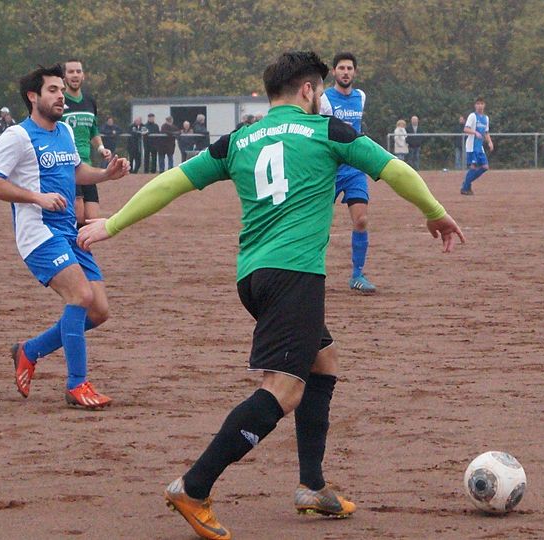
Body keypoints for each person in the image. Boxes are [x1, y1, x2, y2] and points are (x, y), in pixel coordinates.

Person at [77, 50, 465, 540]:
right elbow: (396, 171)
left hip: (253, 278)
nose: (322, 98)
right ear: (308, 90)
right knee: (284, 389)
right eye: (320, 91)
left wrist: (112, 223)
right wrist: (434, 211)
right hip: (294, 276)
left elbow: (171, 183)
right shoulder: (328, 132)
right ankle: (193, 488)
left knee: (323, 362)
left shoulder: (239, 139)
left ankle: (311, 485)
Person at [0, 63, 130, 410]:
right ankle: (77, 385)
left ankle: (28, 351)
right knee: (79, 296)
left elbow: (76, 170)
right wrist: (36, 197)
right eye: (53, 90)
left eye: (62, 90)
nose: (61, 95)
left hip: (68, 232)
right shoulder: (17, 136)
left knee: (99, 311)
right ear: (33, 97)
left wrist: (106, 175)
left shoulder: (64, 131)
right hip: (39, 234)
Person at [318, 52, 376, 294]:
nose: (345, 72)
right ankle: (311, 274)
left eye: (349, 68)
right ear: (333, 72)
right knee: (317, 224)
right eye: (341, 68)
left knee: (361, 220)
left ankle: (357, 275)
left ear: (355, 72)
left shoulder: (361, 97)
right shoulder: (324, 100)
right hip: (329, 169)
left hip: (354, 169)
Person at [63, 59, 112, 228]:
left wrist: (101, 148)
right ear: (64, 76)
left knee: (91, 219)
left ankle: (82, 252)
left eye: (78, 71)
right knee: (77, 212)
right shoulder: (59, 102)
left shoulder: (90, 101)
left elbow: (93, 130)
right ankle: (72, 251)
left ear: (83, 76)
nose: (75, 75)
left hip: (87, 167)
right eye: (70, 72)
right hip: (69, 166)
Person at [461, 97, 493, 196]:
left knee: (485, 167)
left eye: (481, 104)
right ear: (475, 105)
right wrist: (475, 132)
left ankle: (466, 183)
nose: (480, 106)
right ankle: (465, 188)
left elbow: (486, 132)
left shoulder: (486, 118)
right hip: (471, 146)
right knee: (473, 167)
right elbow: (466, 129)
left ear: (484, 105)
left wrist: (490, 142)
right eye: (478, 104)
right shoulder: (472, 116)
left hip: (480, 147)